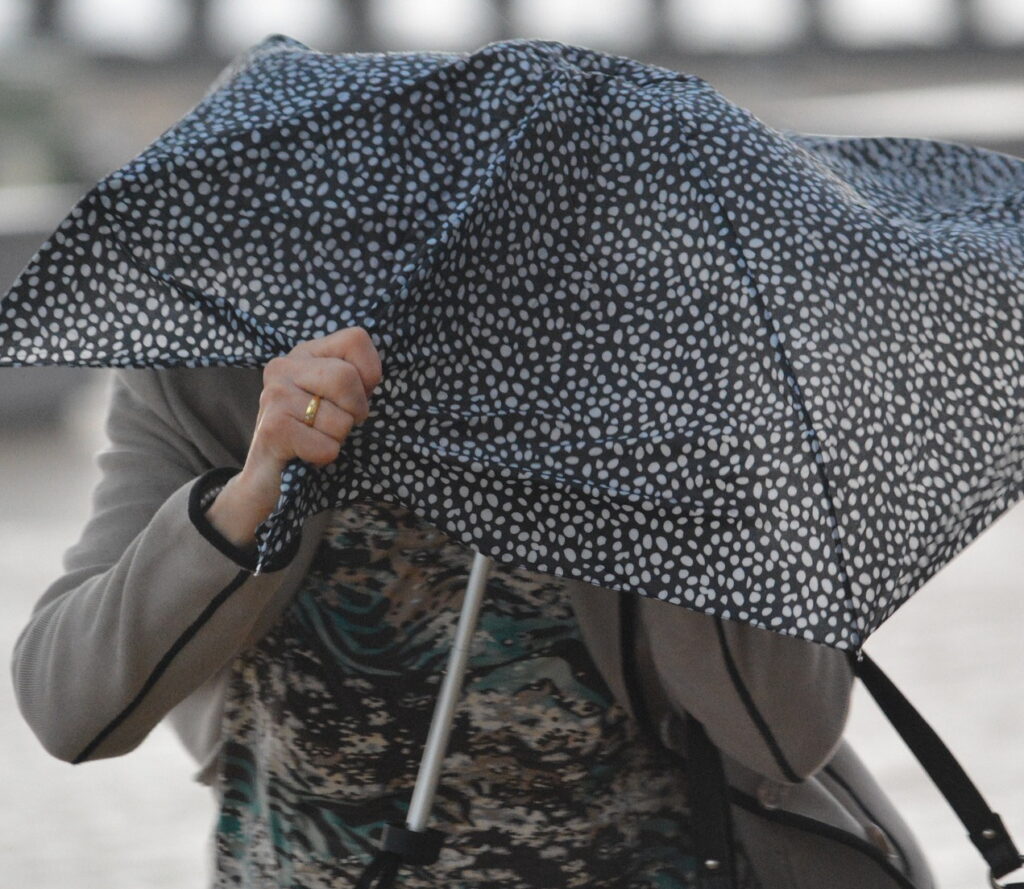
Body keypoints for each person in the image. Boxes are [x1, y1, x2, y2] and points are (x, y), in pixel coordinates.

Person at [11, 326, 936, 888]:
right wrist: (253, 493)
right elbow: (68, 705)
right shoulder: (204, 378)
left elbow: (788, 732)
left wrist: (667, 452)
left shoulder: (651, 363)